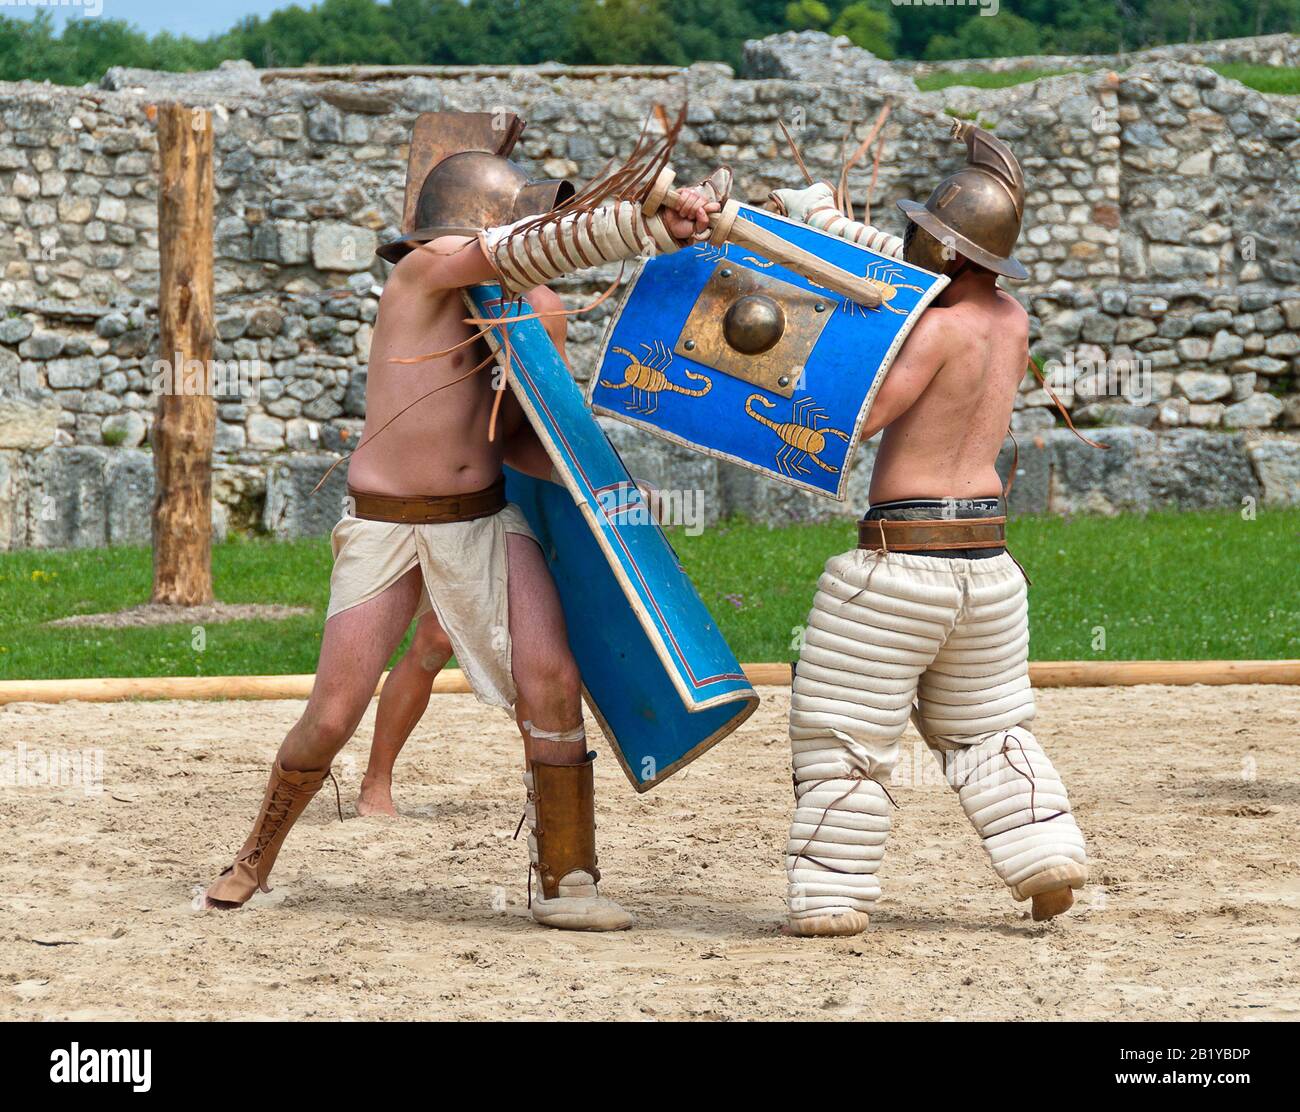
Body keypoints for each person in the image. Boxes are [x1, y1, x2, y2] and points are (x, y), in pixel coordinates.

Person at [204, 112, 724, 931]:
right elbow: (502, 252)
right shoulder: (425, 270)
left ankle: (567, 880)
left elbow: (520, 435)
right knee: (333, 714)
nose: (533, 233)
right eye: (523, 219)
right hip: (387, 526)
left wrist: (606, 488)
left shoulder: (531, 311)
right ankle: (254, 857)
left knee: (551, 682)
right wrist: (645, 223)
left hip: (483, 518)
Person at [769, 122, 1088, 937]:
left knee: (839, 732)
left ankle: (833, 897)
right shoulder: (1010, 320)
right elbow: (904, 273)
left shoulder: (934, 327)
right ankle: (1044, 855)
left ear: (942, 250)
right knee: (988, 729)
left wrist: (798, 363)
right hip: (987, 561)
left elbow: (865, 416)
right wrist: (816, 216)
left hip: (901, 565)